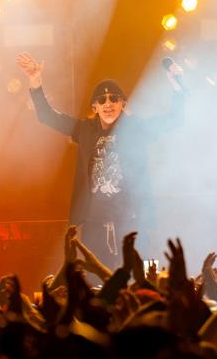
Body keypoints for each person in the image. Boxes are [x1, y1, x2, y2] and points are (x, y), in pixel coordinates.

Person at [16, 52, 183, 263]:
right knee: (96, 282)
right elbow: (47, 115)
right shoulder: (84, 130)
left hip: (132, 221)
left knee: (135, 280)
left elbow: (172, 119)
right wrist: (34, 79)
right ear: (94, 107)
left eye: (114, 98)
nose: (108, 103)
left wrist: (178, 86)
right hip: (94, 222)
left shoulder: (135, 129)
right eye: (102, 100)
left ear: (123, 103)